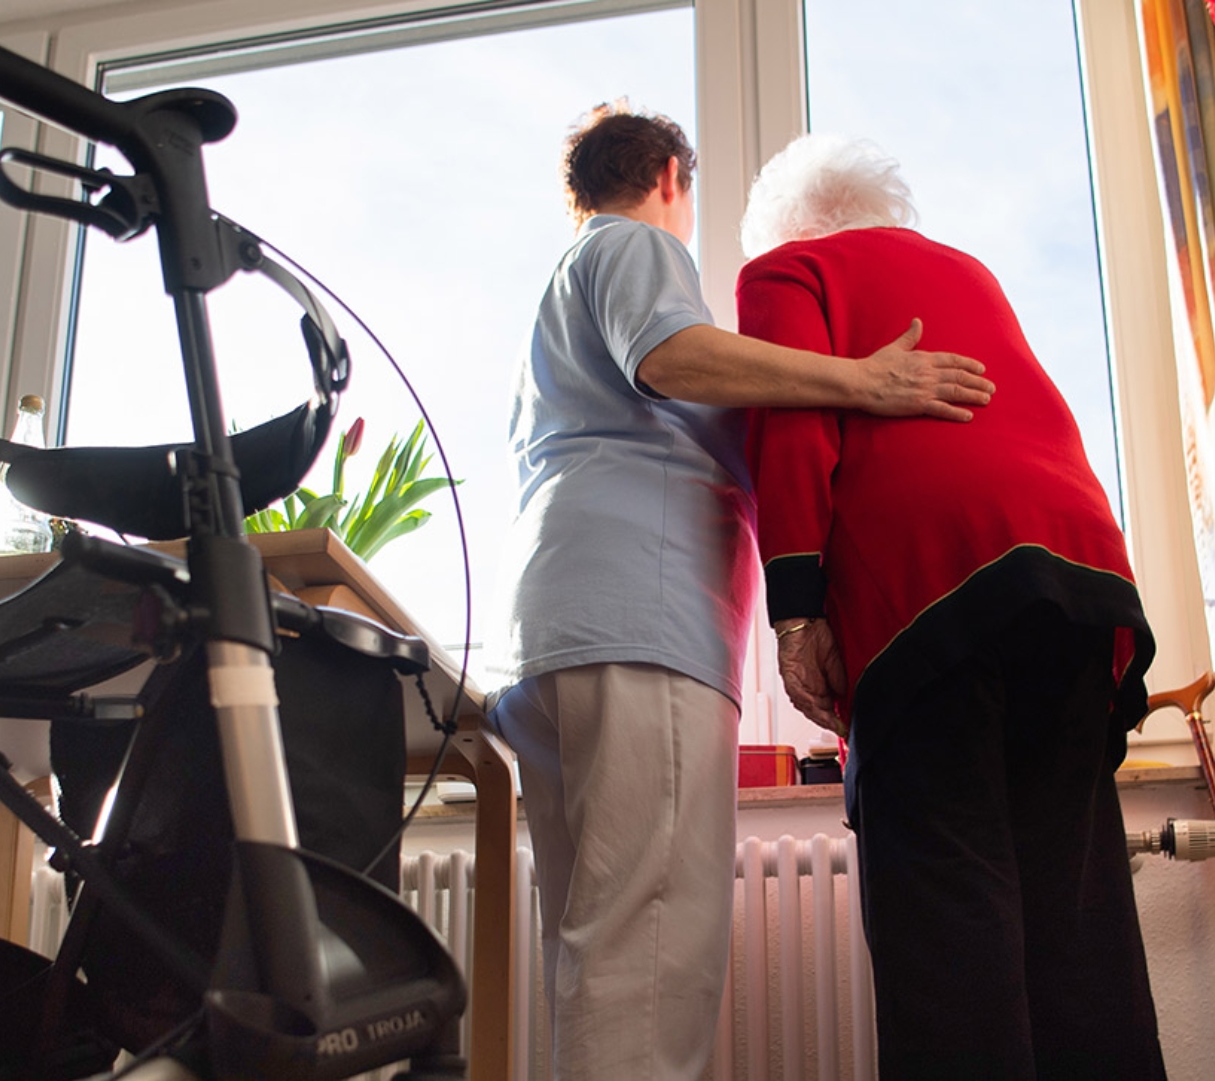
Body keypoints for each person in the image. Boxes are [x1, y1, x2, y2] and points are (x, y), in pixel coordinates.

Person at [487, 104, 995, 1081]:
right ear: (674, 177)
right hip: (637, 625)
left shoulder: (560, 301)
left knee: (598, 950)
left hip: (557, 632)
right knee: (651, 957)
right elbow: (671, 354)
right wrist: (861, 380)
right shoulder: (633, 245)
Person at [736, 132, 1164, 1080]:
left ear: (782, 227)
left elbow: (793, 430)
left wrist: (798, 609)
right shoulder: (966, 271)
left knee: (948, 925)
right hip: (1077, 586)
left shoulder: (785, 271)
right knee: (1077, 925)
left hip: (930, 595)